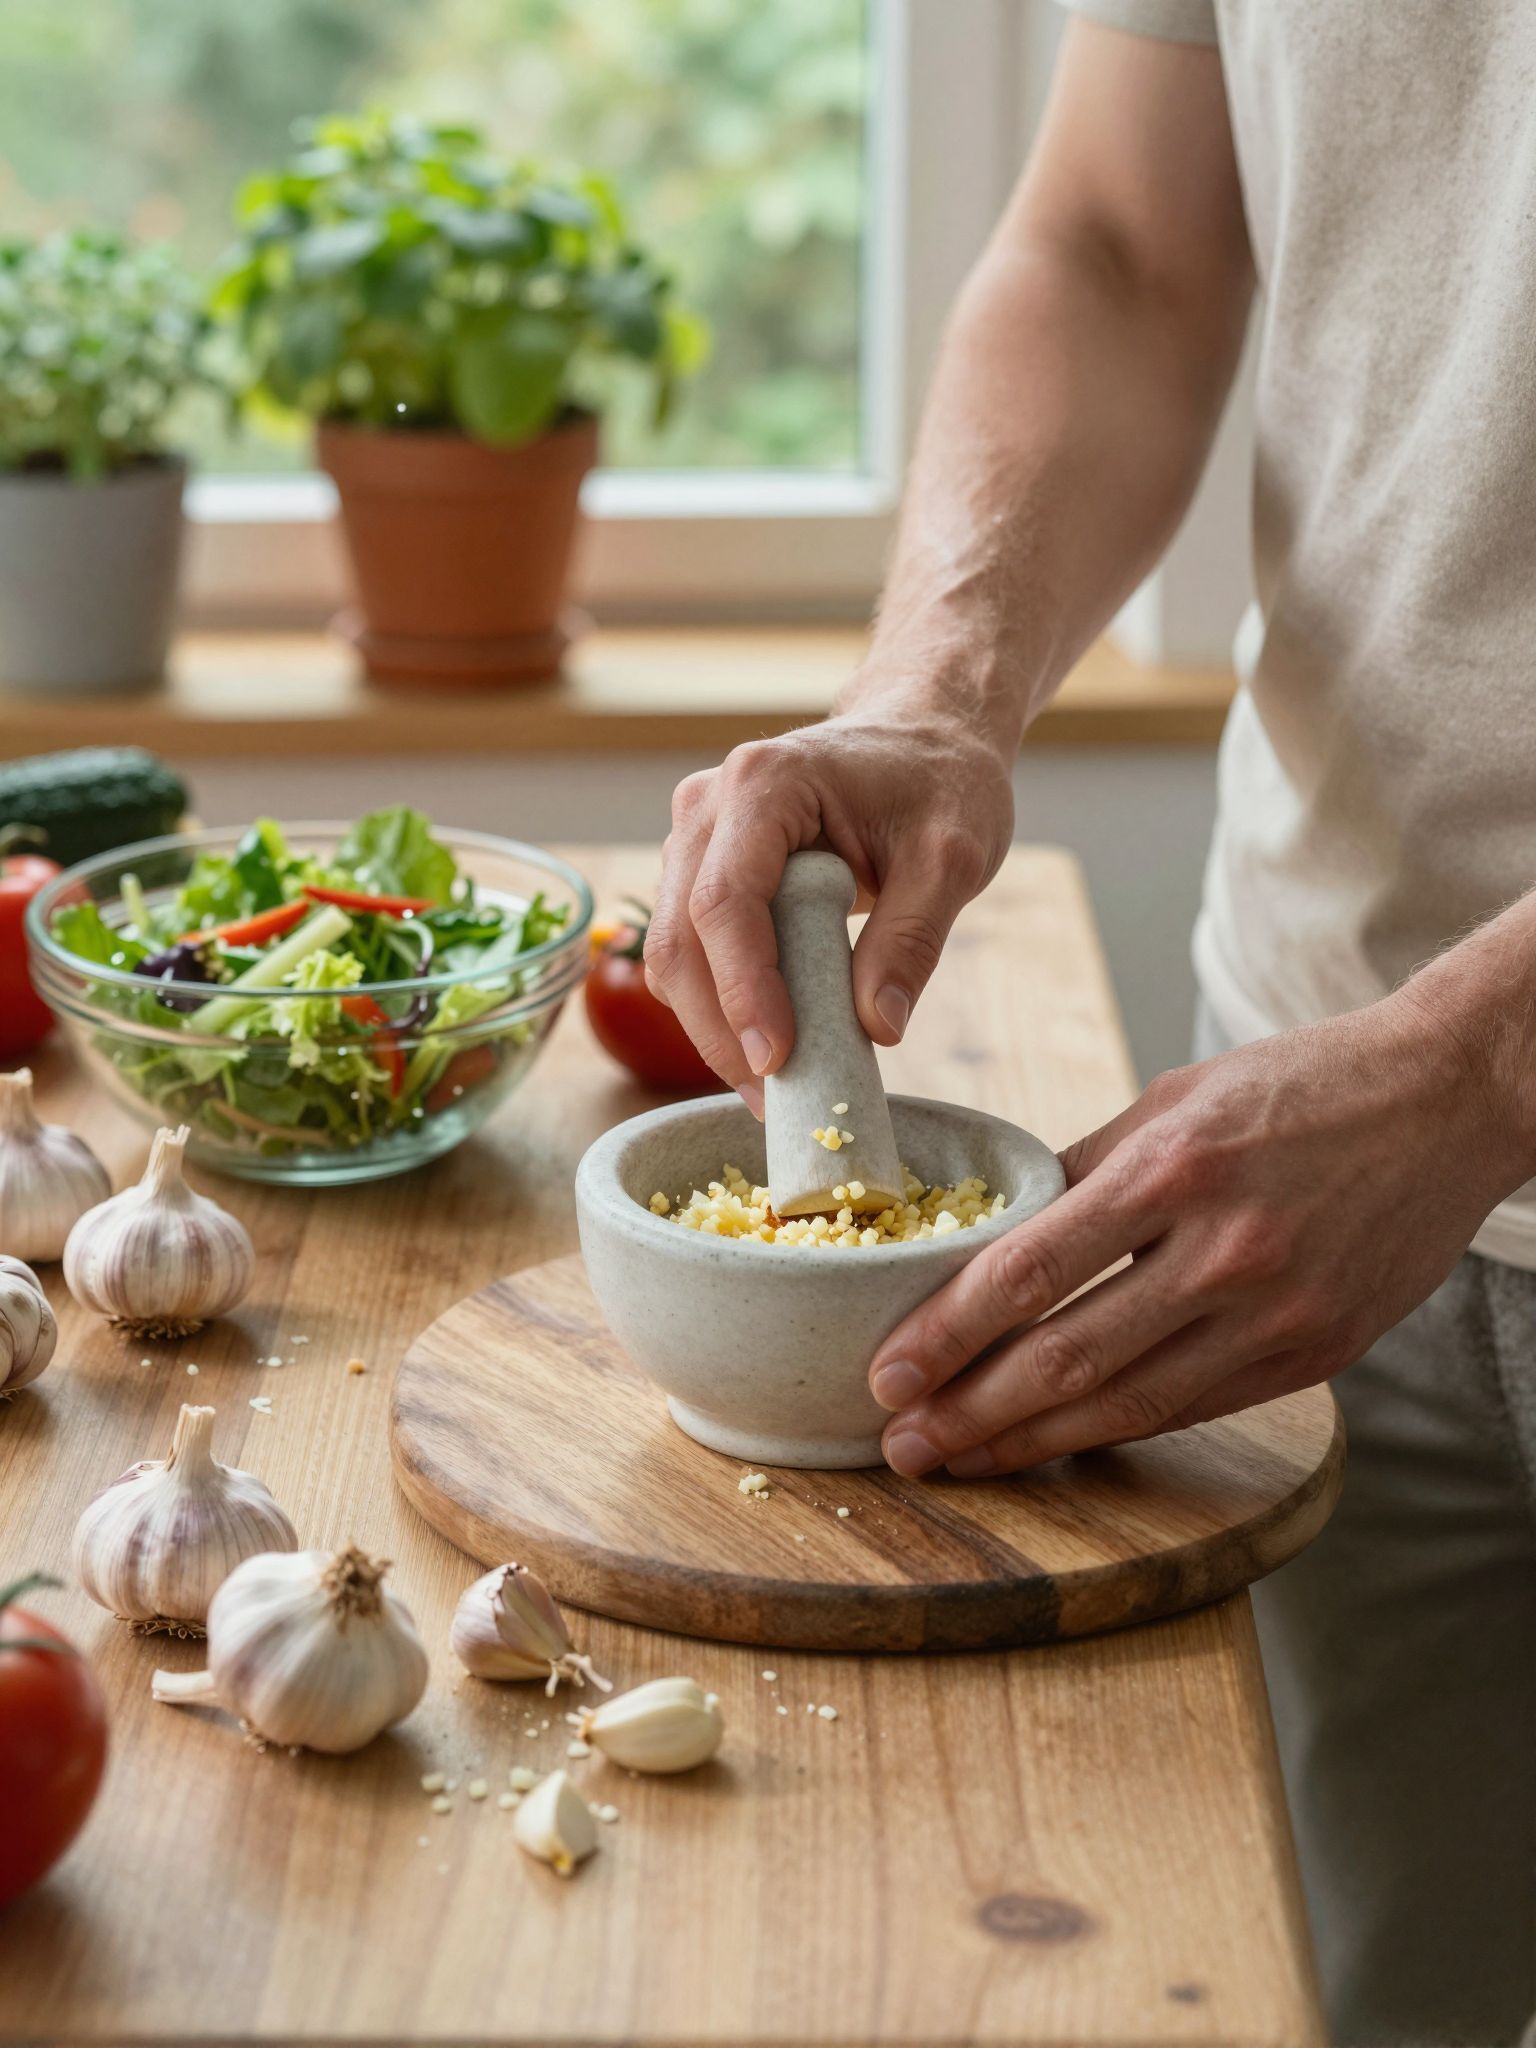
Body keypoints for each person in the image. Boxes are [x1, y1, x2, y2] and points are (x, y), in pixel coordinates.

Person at [644, 7, 1536, 2044]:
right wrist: (935, 679)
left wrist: (1477, 1063)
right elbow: (1125, 242)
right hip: (1303, 1183)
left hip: (1394, 1105)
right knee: (1369, 1982)